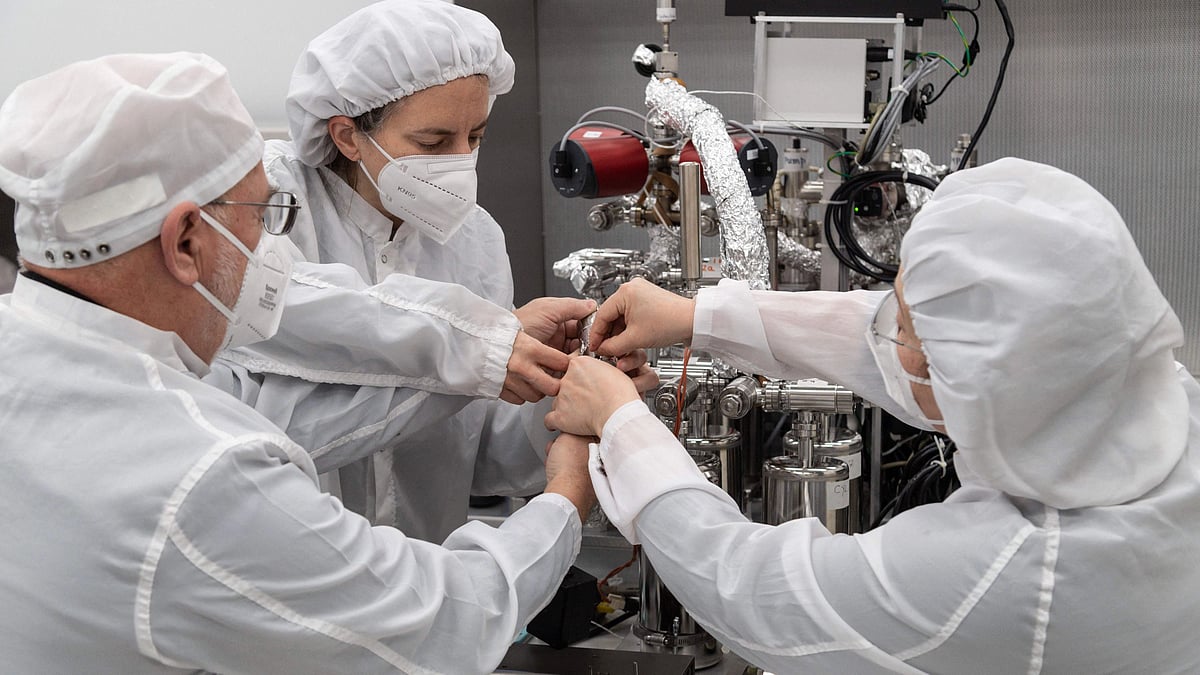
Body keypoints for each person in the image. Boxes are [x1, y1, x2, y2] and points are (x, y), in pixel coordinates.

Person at [0, 52, 595, 674]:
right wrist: (567, 498)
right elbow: (447, 620)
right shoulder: (199, 473)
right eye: (263, 220)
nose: (274, 255)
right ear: (184, 243)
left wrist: (521, 382)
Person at [545, 158, 1200, 673]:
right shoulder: (1144, 394)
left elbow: (750, 586)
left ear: (985, 383)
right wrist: (702, 317)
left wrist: (623, 421)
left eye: (911, 327)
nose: (890, 333)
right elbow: (911, 334)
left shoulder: (1002, 572)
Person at [241, 0, 652, 540]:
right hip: (291, 565)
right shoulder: (268, 203)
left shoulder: (475, 240)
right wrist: (477, 349)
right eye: (432, 143)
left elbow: (483, 452)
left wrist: (559, 390)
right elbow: (290, 332)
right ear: (346, 135)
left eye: (475, 137)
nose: (460, 162)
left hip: (427, 569)